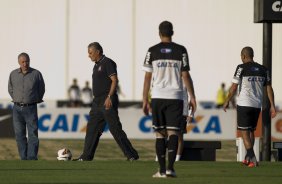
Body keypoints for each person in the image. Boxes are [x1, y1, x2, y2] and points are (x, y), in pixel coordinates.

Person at [142, 21, 196, 178]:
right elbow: (185, 75)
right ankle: (171, 169)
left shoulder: (152, 51)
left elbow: (147, 77)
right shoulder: (181, 50)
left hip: (158, 96)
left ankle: (161, 170)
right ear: (172, 32)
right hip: (176, 97)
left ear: (159, 33)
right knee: (173, 132)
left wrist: (145, 99)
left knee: (160, 134)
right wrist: (192, 96)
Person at [73, 42, 139, 161]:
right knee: (92, 129)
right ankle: (86, 156)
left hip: (107, 99)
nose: (89, 55)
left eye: (90, 52)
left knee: (115, 128)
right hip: (96, 102)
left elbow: (114, 80)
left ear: (98, 51)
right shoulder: (96, 65)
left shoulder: (108, 62)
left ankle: (132, 155)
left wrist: (109, 96)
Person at [223, 46, 276, 167]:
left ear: (243, 56)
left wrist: (227, 100)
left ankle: (252, 157)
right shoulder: (263, 69)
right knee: (251, 131)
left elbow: (234, 87)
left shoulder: (241, 68)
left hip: (244, 104)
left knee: (244, 132)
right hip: (257, 105)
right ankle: (247, 158)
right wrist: (272, 105)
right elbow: (269, 88)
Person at [8, 52, 45, 160]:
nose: (25, 64)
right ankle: (23, 158)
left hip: (31, 108)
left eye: (27, 61)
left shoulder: (36, 74)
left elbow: (41, 89)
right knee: (19, 135)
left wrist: (34, 100)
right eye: (23, 62)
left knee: (33, 134)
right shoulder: (13, 74)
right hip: (17, 108)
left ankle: (32, 157)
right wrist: (17, 99)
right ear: (19, 62)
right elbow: (10, 89)